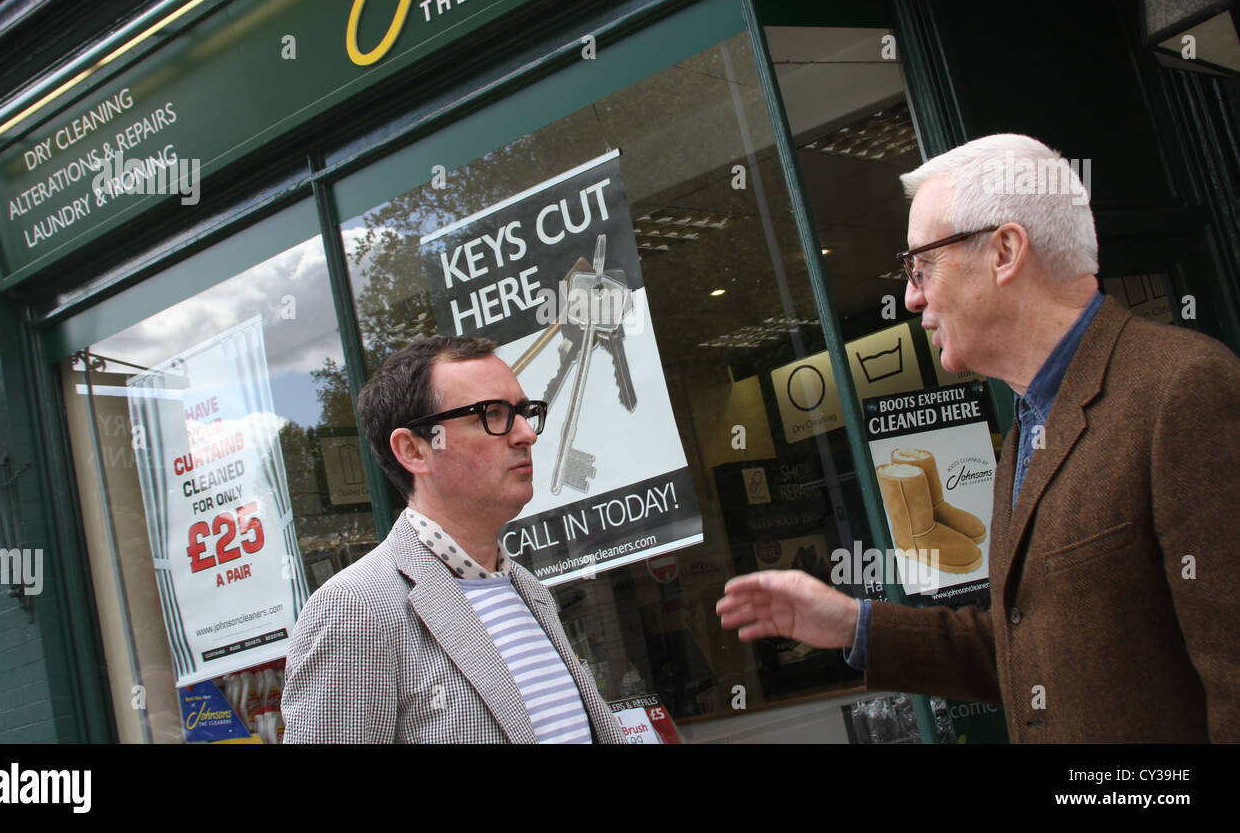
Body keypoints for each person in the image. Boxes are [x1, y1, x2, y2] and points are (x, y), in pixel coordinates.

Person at [717, 134, 1240, 742]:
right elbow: (1027, 648)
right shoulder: (1028, 429)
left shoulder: (1183, 390)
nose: (911, 296)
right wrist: (854, 626)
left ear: (1005, 252)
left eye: (920, 265)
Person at [282, 335, 625, 743]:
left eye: (523, 412)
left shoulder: (528, 590)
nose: (527, 434)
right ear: (413, 450)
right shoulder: (357, 611)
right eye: (492, 414)